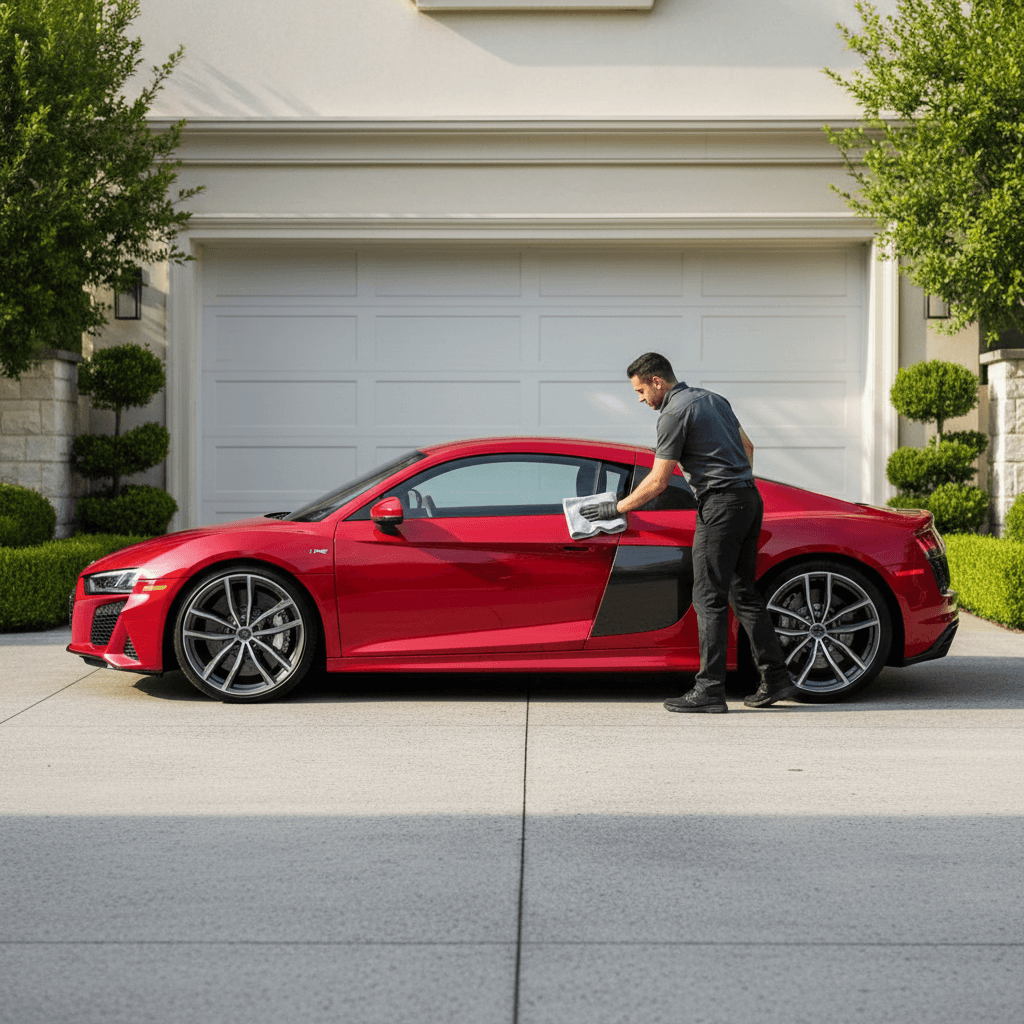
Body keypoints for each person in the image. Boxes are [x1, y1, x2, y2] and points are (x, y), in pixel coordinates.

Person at [580, 351, 798, 713]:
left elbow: (659, 479)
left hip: (720, 506)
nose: (640, 400)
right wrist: (737, 484)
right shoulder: (713, 399)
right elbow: (747, 447)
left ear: (657, 382)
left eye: (640, 391)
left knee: (708, 597)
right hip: (748, 499)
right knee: (743, 592)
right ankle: (776, 679)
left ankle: (710, 690)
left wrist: (616, 507)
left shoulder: (673, 414)